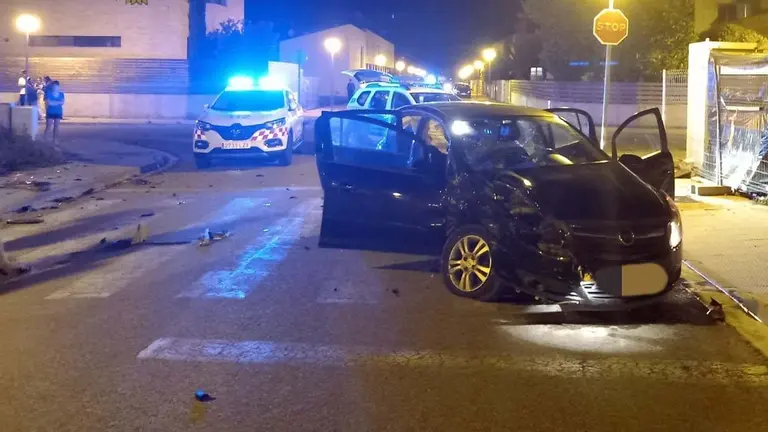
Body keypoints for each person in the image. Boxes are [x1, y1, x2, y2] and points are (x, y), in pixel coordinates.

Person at [43, 81, 65, 145]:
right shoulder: (48, 93)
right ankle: (45, 140)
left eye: (56, 86)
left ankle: (55, 140)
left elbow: (62, 102)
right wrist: (57, 102)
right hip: (50, 112)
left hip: (58, 112)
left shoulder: (61, 94)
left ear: (58, 87)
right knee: (48, 126)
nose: (55, 88)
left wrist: (53, 102)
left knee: (56, 127)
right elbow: (48, 103)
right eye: (54, 86)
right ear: (52, 87)